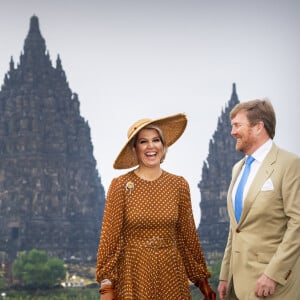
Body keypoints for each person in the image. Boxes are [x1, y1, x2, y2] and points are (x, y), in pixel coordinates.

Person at [96, 113, 216, 300]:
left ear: (163, 146)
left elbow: (187, 237)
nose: (151, 146)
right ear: (134, 149)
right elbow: (110, 239)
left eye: (156, 140)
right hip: (134, 272)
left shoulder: (178, 184)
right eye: (143, 142)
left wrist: (202, 281)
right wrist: (107, 287)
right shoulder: (120, 185)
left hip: (171, 273)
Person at [218, 99, 300, 299]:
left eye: (238, 125)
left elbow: (297, 223)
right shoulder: (237, 168)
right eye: (231, 126)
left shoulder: (289, 164)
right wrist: (224, 275)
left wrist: (273, 274)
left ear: (258, 127)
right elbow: (236, 227)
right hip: (238, 285)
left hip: (272, 284)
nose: (232, 132)